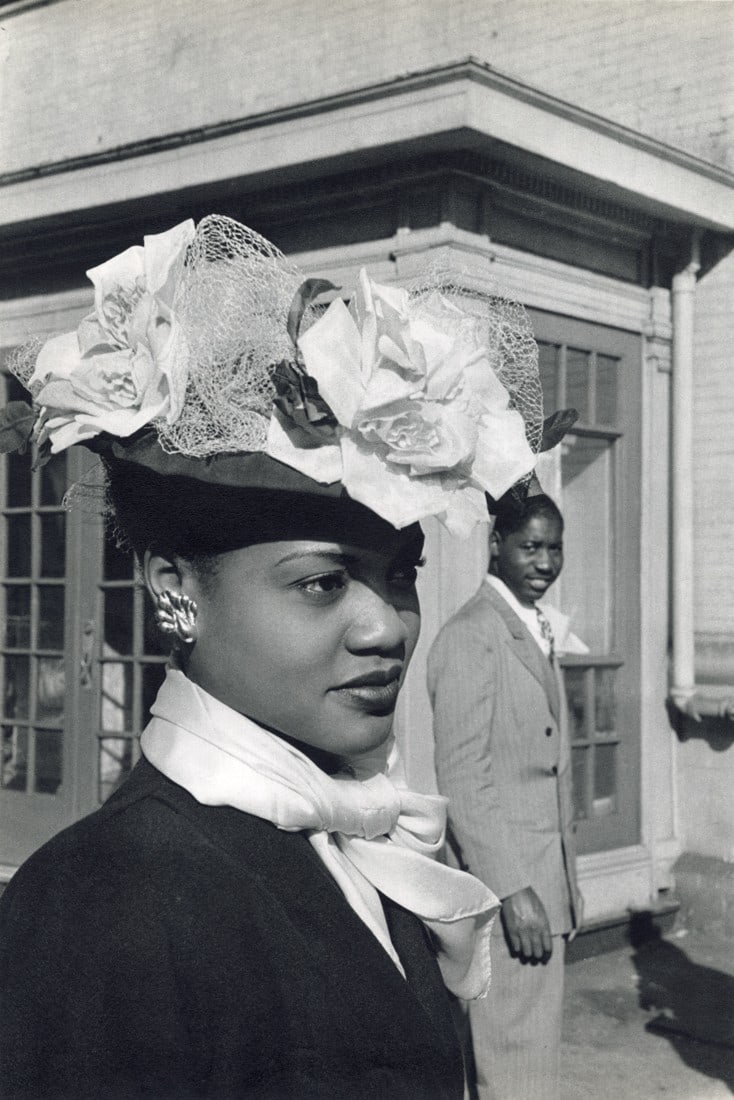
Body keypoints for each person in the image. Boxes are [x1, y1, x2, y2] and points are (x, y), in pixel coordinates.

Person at [0, 214, 547, 1099]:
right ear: (176, 587)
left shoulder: (355, 834)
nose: (388, 627)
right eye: (323, 583)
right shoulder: (107, 899)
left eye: (399, 574)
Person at [427, 492, 582, 1100]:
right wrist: (516, 891)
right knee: (513, 1066)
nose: (545, 563)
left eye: (555, 548)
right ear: (495, 545)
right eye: (530, 547)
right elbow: (463, 777)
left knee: (525, 1059)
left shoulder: (526, 626)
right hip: (511, 893)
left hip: (545, 885)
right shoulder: (474, 635)